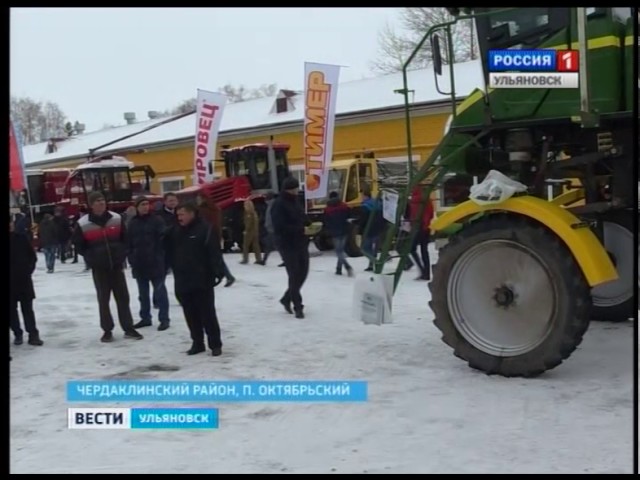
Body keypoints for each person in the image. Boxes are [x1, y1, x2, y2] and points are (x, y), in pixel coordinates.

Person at [73, 191, 143, 343]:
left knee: (123, 298)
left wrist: (122, 253)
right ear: (91, 205)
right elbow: (79, 245)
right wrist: (91, 258)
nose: (101, 203)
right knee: (103, 300)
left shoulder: (116, 219)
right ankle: (107, 330)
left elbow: (126, 239)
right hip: (99, 268)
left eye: (102, 200)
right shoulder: (83, 223)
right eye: (97, 201)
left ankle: (128, 327)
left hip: (116, 266)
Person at [164, 202, 224, 356]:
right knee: (190, 314)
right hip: (182, 279)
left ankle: (215, 344)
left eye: (182, 214)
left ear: (192, 213)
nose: (179, 218)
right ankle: (197, 342)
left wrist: (217, 271)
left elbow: (214, 252)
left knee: (207, 313)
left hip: (202, 278)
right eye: (178, 215)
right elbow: (168, 250)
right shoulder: (175, 231)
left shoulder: (205, 229)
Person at [127, 196, 171, 331]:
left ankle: (164, 319)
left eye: (147, 204)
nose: (145, 207)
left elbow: (165, 239)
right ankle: (145, 318)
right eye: (142, 204)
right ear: (137, 207)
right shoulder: (132, 223)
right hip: (139, 263)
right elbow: (128, 243)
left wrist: (163, 258)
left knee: (160, 293)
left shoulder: (156, 220)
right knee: (143, 294)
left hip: (156, 262)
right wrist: (131, 258)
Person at [270, 177, 309, 319]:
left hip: (300, 242)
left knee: (303, 273)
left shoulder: (295, 201)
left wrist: (309, 223)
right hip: (286, 244)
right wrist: (300, 229)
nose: (296, 191)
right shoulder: (278, 204)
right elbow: (279, 226)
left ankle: (287, 298)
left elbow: (301, 216)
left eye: (296, 188)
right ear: (287, 190)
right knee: (294, 274)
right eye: (293, 189)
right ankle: (298, 306)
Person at [10, 214, 44, 347]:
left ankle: (33, 334)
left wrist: (28, 270)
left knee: (28, 309)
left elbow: (32, 257)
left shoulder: (21, 238)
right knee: (11, 311)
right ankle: (17, 333)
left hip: (23, 280)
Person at [196, 193, 236, 287]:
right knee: (216, 258)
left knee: (215, 258)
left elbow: (202, 224)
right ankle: (225, 276)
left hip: (207, 237)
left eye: (198, 199)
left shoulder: (203, 211)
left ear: (204, 200)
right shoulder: (215, 209)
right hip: (216, 236)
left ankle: (227, 276)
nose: (197, 201)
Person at [323, 191, 353, 277]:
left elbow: (326, 221)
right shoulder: (344, 206)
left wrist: (328, 229)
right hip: (344, 231)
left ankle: (347, 266)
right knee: (340, 251)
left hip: (334, 232)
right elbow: (349, 216)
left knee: (338, 252)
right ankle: (338, 269)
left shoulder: (327, 209)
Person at [407, 184, 434, 281]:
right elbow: (430, 213)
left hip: (417, 228)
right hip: (425, 228)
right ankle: (426, 273)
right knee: (424, 250)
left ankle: (422, 270)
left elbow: (411, 215)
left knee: (411, 249)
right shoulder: (427, 199)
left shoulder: (413, 201)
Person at [359, 190, 386, 272]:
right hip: (378, 229)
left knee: (365, 249)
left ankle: (374, 262)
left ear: (365, 196)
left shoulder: (365, 206)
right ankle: (371, 264)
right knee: (374, 249)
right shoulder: (378, 203)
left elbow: (363, 220)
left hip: (369, 230)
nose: (361, 197)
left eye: (362, 195)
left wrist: (356, 223)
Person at [260, 191, 283, 266]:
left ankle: (264, 260)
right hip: (271, 229)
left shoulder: (272, 206)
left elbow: (273, 217)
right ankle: (264, 260)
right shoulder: (271, 205)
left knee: (275, 246)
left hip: (273, 229)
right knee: (271, 246)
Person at [240, 199, 263, 265]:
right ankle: (259, 259)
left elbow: (248, 223)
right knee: (256, 246)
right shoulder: (254, 213)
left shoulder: (248, 213)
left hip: (250, 232)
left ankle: (245, 259)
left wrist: (246, 231)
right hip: (255, 231)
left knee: (245, 246)